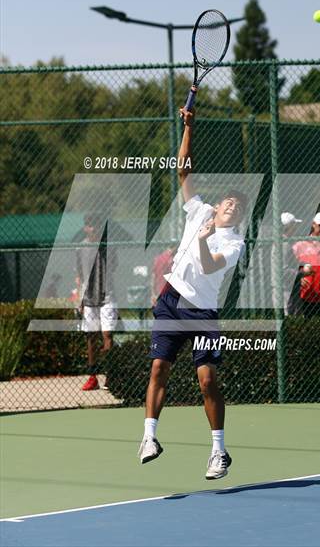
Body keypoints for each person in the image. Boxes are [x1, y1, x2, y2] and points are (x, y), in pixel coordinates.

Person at [138, 107, 247, 480]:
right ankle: (149, 437)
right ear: (218, 206)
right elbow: (183, 168)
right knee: (158, 368)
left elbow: (211, 266)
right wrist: (188, 126)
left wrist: (202, 242)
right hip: (171, 301)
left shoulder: (235, 242)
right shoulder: (199, 211)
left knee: (207, 381)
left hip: (202, 313)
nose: (232, 207)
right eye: (228, 202)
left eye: (239, 206)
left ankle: (219, 451)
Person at [75, 213, 118, 391]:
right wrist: (80, 298)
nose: (94, 228)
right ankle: (92, 377)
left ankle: (110, 375)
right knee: (91, 337)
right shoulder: (80, 248)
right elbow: (79, 275)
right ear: (86, 228)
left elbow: (114, 268)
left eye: (96, 225)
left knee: (107, 336)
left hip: (108, 296)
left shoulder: (110, 246)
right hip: (89, 299)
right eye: (90, 225)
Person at [271, 212, 303, 315]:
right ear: (289, 227)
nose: (296, 228)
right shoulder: (284, 245)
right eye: (294, 225)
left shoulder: (286, 242)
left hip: (288, 288)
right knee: (287, 318)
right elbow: (283, 271)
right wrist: (303, 273)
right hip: (284, 290)